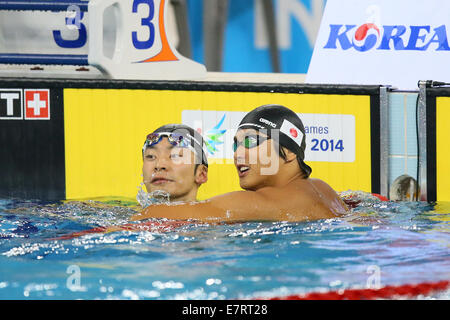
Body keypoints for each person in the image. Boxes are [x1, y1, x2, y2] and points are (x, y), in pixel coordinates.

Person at [131, 104, 348, 223]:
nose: (238, 155)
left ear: (289, 152)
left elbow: (203, 212)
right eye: (236, 145)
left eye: (251, 142)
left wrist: (126, 222)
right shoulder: (322, 189)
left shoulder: (270, 201)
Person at [139, 123, 209, 204]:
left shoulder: (221, 214)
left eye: (175, 156)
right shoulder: (127, 213)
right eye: (151, 156)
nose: (159, 165)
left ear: (201, 174)